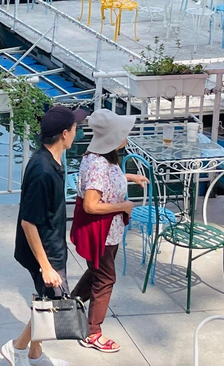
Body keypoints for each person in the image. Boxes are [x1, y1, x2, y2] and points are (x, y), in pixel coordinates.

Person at [2, 106, 88, 366]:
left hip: (52, 245)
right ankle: (17, 347)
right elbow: (29, 222)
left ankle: (33, 353)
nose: (78, 130)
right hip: (44, 251)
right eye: (76, 127)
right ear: (64, 134)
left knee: (45, 302)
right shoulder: (43, 171)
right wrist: (46, 266)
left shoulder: (52, 160)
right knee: (50, 305)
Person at [70, 109, 145, 353]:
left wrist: (128, 177)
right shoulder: (100, 166)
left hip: (105, 230)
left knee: (96, 270)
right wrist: (124, 205)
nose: (126, 136)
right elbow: (92, 204)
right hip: (102, 231)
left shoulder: (95, 157)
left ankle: (70, 305)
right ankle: (93, 332)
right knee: (105, 278)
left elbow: (103, 180)